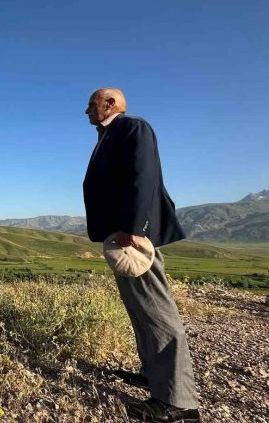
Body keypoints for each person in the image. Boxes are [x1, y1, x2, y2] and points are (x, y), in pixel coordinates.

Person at [82, 88, 200, 423]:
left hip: (133, 237)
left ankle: (179, 404)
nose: (86, 110)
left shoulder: (133, 127)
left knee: (158, 314)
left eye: (91, 104)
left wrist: (135, 227)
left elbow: (143, 176)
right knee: (139, 310)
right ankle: (154, 374)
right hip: (120, 235)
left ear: (110, 104)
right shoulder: (108, 135)